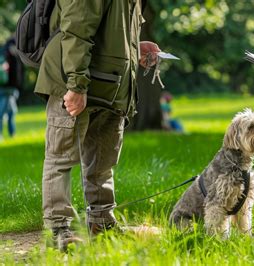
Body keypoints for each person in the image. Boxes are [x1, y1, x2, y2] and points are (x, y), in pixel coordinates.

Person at [34, 0, 160, 251]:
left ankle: (102, 222)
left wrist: (135, 47)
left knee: (103, 161)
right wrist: (76, 85)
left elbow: (112, 31)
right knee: (61, 157)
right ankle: (59, 229)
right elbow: (76, 28)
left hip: (113, 84)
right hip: (73, 79)